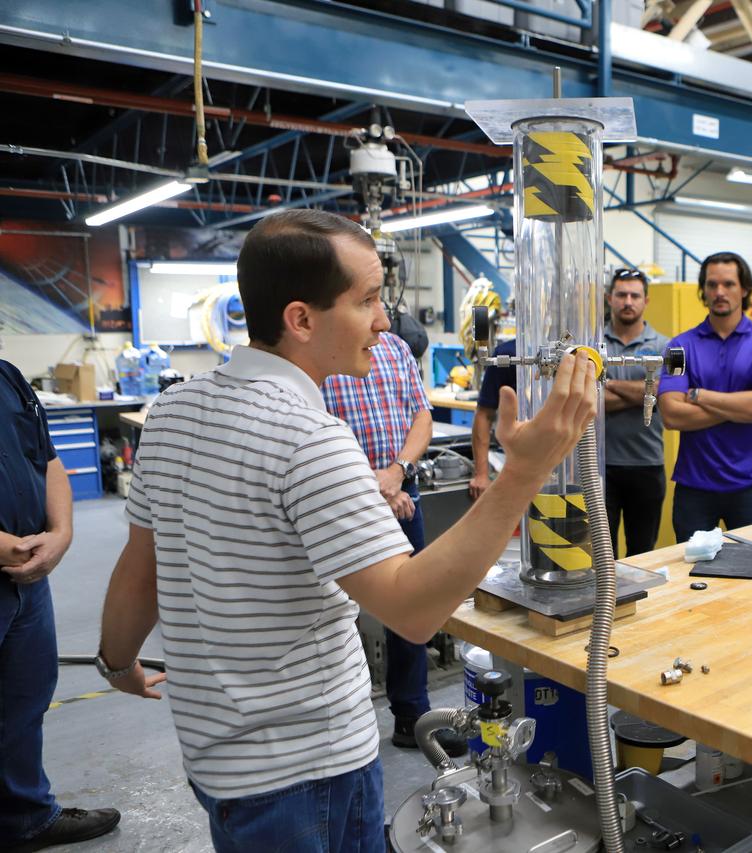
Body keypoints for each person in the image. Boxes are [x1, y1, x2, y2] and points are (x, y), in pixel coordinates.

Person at [95, 209, 598, 851]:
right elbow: (413, 610)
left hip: (215, 761)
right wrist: (524, 471)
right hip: (307, 774)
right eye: (367, 302)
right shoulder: (308, 436)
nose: (385, 321)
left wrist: (117, 662)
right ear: (301, 319)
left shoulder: (172, 409)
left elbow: (140, 567)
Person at [321, 332, 464, 755]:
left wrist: (398, 471)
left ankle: (411, 716)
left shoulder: (397, 347)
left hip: (404, 493)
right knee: (334, 606)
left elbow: (422, 415)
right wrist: (373, 484)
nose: (381, 315)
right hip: (337, 496)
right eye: (367, 298)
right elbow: (311, 428)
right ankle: (341, 725)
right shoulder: (324, 349)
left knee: (411, 606)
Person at [0, 361, 120, 852]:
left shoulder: (7, 375)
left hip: (28, 577)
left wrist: (62, 533)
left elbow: (47, 461)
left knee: (24, 698)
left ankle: (24, 816)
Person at [658, 251, 752, 543]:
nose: (719, 292)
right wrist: (743, 405)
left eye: (728, 284)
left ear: (744, 289)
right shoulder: (678, 347)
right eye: (712, 284)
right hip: (694, 487)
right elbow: (670, 415)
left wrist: (698, 394)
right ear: (703, 289)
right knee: (691, 575)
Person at [602, 269, 670, 556]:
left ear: (646, 301)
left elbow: (661, 395)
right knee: (602, 554)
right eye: (621, 295)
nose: (627, 301)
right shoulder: (593, 343)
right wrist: (643, 392)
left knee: (643, 554)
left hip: (647, 464)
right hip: (600, 466)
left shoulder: (664, 345)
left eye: (635, 295)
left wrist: (608, 382)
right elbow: (591, 401)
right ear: (609, 299)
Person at [469, 337, 517, 500]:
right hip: (517, 462)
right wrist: (481, 474)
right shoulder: (508, 354)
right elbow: (484, 414)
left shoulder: (578, 353)